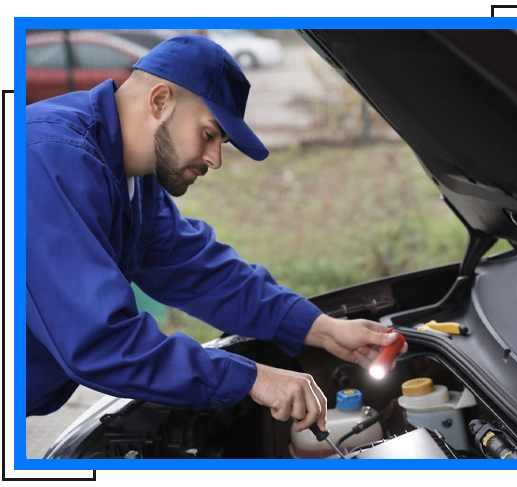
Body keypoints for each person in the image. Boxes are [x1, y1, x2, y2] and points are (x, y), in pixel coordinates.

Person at [25, 34, 408, 435]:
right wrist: (252, 378)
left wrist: (322, 328)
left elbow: (203, 273)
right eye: (208, 134)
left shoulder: (134, 181)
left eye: (221, 142)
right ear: (159, 101)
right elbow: (101, 342)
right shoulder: (49, 160)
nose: (215, 159)